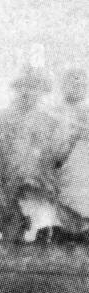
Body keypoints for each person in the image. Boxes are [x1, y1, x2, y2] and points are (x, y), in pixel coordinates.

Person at [0, 66, 61, 242]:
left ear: (41, 91)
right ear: (16, 89)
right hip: (11, 195)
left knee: (45, 251)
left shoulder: (50, 122)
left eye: (33, 87)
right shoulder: (1, 119)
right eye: (23, 86)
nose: (27, 91)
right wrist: (0, 200)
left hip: (42, 194)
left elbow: (58, 161)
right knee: (11, 250)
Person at [52, 67, 89, 240]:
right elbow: (52, 157)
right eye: (72, 83)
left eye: (82, 84)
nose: (77, 87)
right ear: (63, 86)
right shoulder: (54, 114)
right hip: (61, 188)